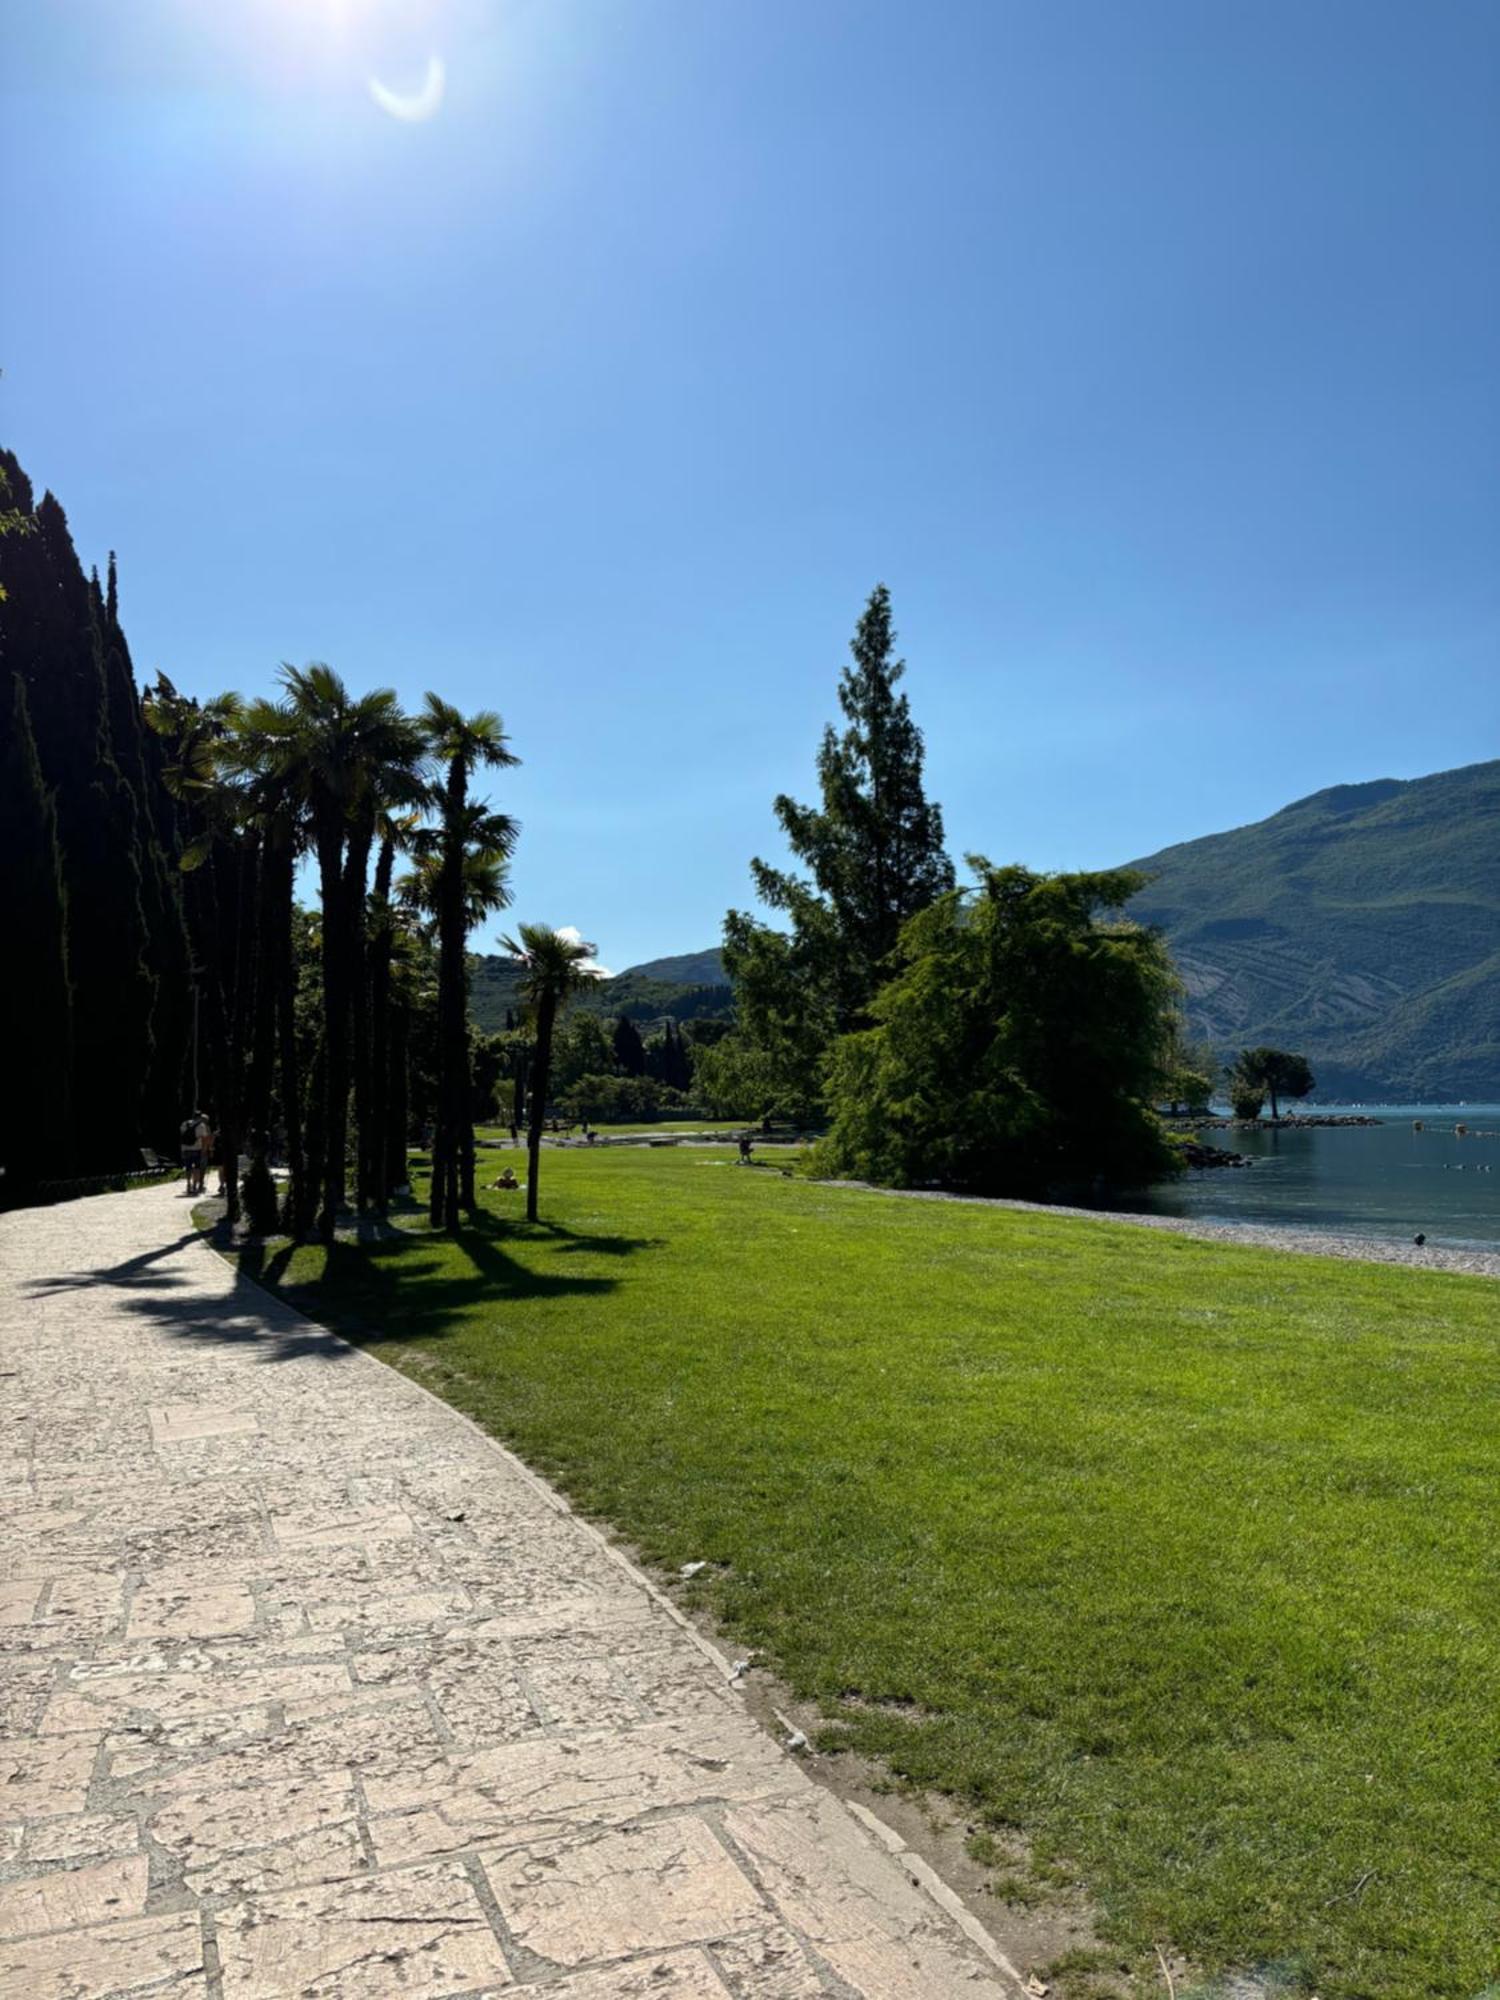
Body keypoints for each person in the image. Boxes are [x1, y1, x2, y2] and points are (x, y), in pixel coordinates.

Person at [179, 1110, 204, 1194]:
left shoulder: (184, 1124)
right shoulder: (201, 1125)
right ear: (200, 1117)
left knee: (188, 1168)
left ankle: (188, 1184)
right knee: (197, 1168)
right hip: (197, 1149)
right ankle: (194, 1185)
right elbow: (204, 1138)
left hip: (186, 1149)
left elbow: (182, 1135)